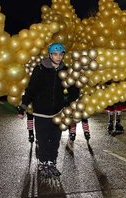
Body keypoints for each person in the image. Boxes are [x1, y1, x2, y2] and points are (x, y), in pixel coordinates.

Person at [17, 43, 79, 179]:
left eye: (61, 54)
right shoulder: (40, 69)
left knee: (55, 139)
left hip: (58, 112)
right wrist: (23, 105)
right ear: (50, 55)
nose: (58, 57)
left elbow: (74, 89)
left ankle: (52, 163)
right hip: (41, 112)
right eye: (55, 54)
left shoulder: (66, 71)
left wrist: (70, 102)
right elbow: (31, 88)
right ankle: (43, 163)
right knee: (43, 140)